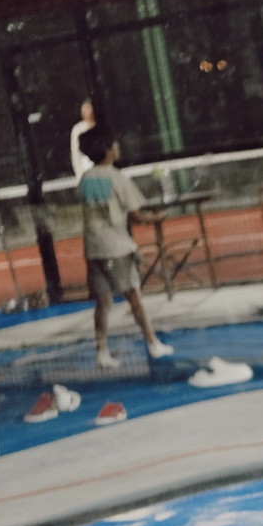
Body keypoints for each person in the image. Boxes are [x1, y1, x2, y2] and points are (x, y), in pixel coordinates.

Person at [76, 125, 172, 370]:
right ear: (108, 150)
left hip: (93, 249)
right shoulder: (118, 178)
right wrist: (156, 217)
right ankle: (152, 343)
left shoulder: (85, 179)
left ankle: (102, 352)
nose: (118, 148)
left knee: (103, 303)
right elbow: (136, 216)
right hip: (117, 248)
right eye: (115, 144)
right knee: (135, 299)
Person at [70, 96, 96, 181]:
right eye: (83, 108)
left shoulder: (100, 125)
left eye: (88, 107)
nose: (86, 111)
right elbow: (75, 154)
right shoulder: (77, 129)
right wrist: (79, 176)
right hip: (86, 172)